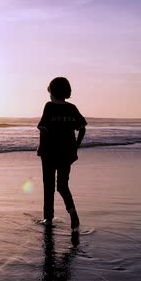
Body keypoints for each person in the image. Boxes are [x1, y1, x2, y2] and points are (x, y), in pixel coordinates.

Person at [37, 77, 87, 232]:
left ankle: (49, 218)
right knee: (63, 186)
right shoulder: (72, 108)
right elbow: (82, 128)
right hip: (66, 153)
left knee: (49, 186)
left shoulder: (49, 106)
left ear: (52, 92)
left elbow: (42, 127)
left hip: (49, 152)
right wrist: (76, 146)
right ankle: (72, 213)